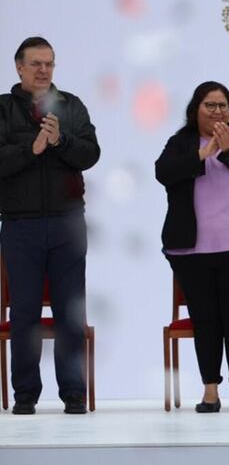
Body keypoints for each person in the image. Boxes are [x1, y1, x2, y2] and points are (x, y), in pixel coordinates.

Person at [155, 82, 229, 413]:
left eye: (223, 106)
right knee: (205, 320)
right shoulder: (181, 143)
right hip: (192, 252)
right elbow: (163, 173)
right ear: (195, 110)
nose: (217, 111)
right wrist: (201, 155)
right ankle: (210, 390)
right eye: (210, 105)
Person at [0, 37, 100, 415]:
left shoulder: (71, 106)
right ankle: (25, 394)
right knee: (24, 311)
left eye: (49, 64)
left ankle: (73, 392)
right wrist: (32, 148)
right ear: (19, 67)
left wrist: (60, 140)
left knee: (70, 311)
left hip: (67, 223)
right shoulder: (3, 109)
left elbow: (90, 153)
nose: (43, 70)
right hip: (20, 224)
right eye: (36, 64)